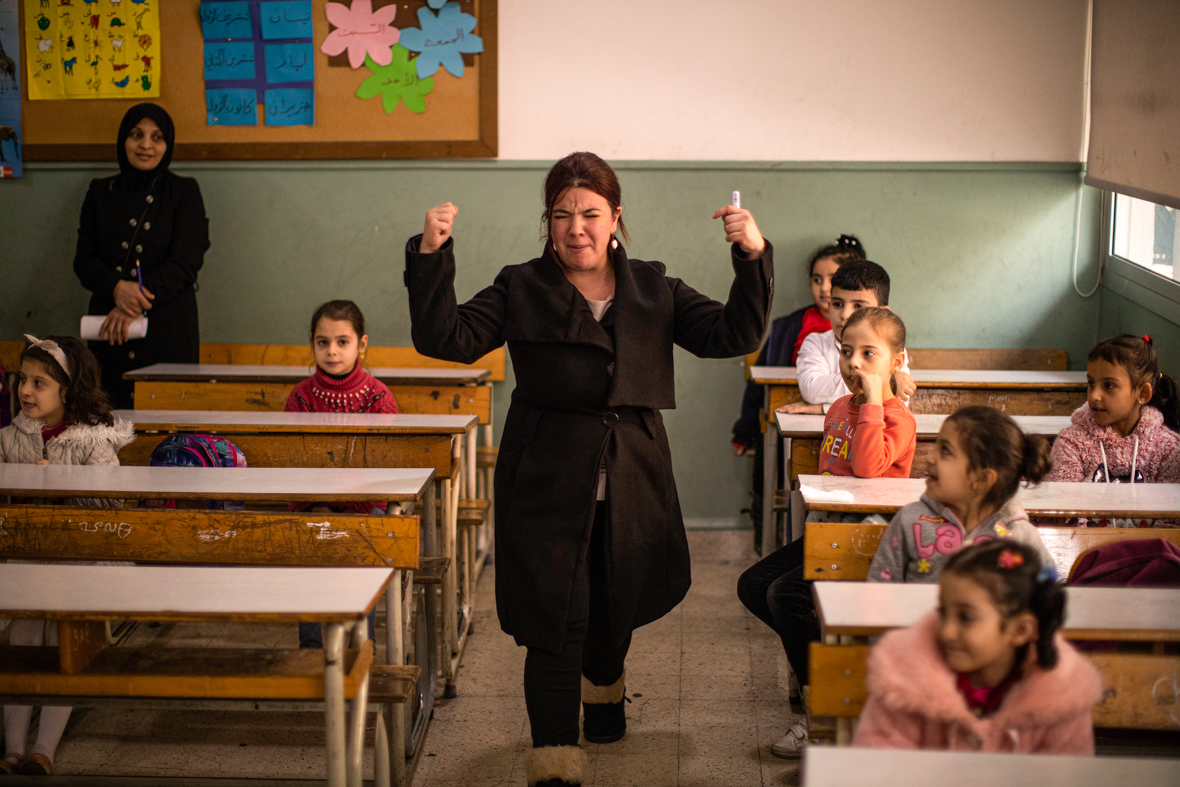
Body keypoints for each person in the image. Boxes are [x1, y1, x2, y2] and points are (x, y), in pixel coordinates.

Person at [403, 152, 774, 787]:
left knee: (614, 600)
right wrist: (431, 254)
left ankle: (604, 697)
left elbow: (733, 333)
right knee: (555, 617)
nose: (577, 227)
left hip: (634, 474)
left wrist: (751, 254)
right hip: (545, 476)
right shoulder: (521, 284)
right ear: (547, 222)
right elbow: (449, 339)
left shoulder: (654, 286)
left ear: (616, 218)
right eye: (562, 215)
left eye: (591, 214)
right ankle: (554, 759)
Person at [737, 306, 916, 759]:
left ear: (897, 362)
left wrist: (874, 403)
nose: (854, 363)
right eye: (846, 351)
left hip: (866, 543)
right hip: (827, 532)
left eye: (868, 354)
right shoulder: (838, 407)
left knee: (787, 595)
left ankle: (821, 707)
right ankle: (833, 676)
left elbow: (867, 467)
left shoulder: (897, 419)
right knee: (755, 586)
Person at [1, 336, 134, 776]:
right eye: (23, 380)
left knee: (63, 647)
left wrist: (65, 482)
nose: (25, 391)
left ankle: (44, 748)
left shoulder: (93, 441)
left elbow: (110, 506)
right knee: (21, 641)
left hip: (76, 562)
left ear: (68, 389)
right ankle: (13, 746)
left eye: (39, 383)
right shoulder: (9, 439)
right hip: (25, 561)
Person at [854, 540, 1103, 753]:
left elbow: (1064, 778)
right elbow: (878, 772)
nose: (947, 632)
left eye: (966, 617)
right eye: (943, 611)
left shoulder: (1060, 694)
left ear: (1020, 630)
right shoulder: (904, 678)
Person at [73, 103, 211, 409]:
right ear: (124, 140)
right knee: (107, 421)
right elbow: (84, 260)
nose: (146, 145)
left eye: (157, 137)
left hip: (168, 330)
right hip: (109, 334)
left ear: (168, 143)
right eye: (137, 134)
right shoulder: (100, 192)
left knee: (170, 428)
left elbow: (187, 261)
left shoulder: (184, 192)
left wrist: (133, 301)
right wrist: (116, 288)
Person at [729, 235, 863, 547]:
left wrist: (820, 405)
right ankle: (769, 539)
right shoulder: (790, 325)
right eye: (817, 279)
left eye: (834, 280)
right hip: (787, 419)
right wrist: (745, 429)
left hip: (845, 425)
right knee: (769, 462)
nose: (824, 288)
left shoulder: (870, 331)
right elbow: (758, 384)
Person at [285, 300, 395, 650]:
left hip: (366, 507)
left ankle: (362, 645)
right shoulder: (300, 399)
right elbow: (292, 464)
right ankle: (313, 650)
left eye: (342, 342)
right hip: (310, 506)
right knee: (309, 547)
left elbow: (386, 468)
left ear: (362, 344)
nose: (331, 351)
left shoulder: (379, 397)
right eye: (322, 342)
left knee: (361, 548)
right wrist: (318, 505)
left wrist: (351, 508)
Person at [868, 405, 1054, 582]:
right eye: (936, 446)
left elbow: (1047, 595)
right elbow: (878, 590)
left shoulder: (1019, 536)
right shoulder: (910, 521)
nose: (930, 458)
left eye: (945, 451)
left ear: (982, 479)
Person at [1048, 335, 1180, 527]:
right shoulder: (1071, 442)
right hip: (1085, 553)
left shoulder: (1168, 448)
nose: (1095, 395)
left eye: (1109, 385)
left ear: (1142, 393)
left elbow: (1172, 524)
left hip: (1150, 554)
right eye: (1091, 383)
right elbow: (1065, 515)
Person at [780, 260, 915, 415]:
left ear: (883, 312)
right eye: (837, 304)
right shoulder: (815, 343)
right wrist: (886, 384)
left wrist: (823, 407)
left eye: (858, 306)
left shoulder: (890, 348)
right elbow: (811, 389)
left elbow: (898, 403)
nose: (845, 315)